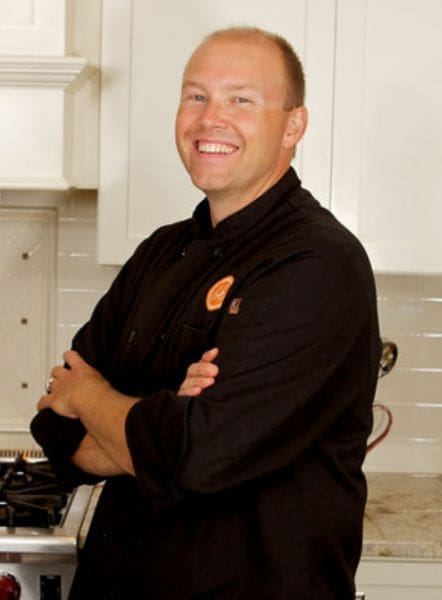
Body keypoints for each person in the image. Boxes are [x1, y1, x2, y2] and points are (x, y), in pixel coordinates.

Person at [32, 26, 381, 599]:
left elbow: (195, 457)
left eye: (241, 99)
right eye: (196, 96)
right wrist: (159, 419)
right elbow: (54, 425)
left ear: (294, 124)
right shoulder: (160, 251)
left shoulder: (319, 263)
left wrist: (92, 398)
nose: (209, 119)